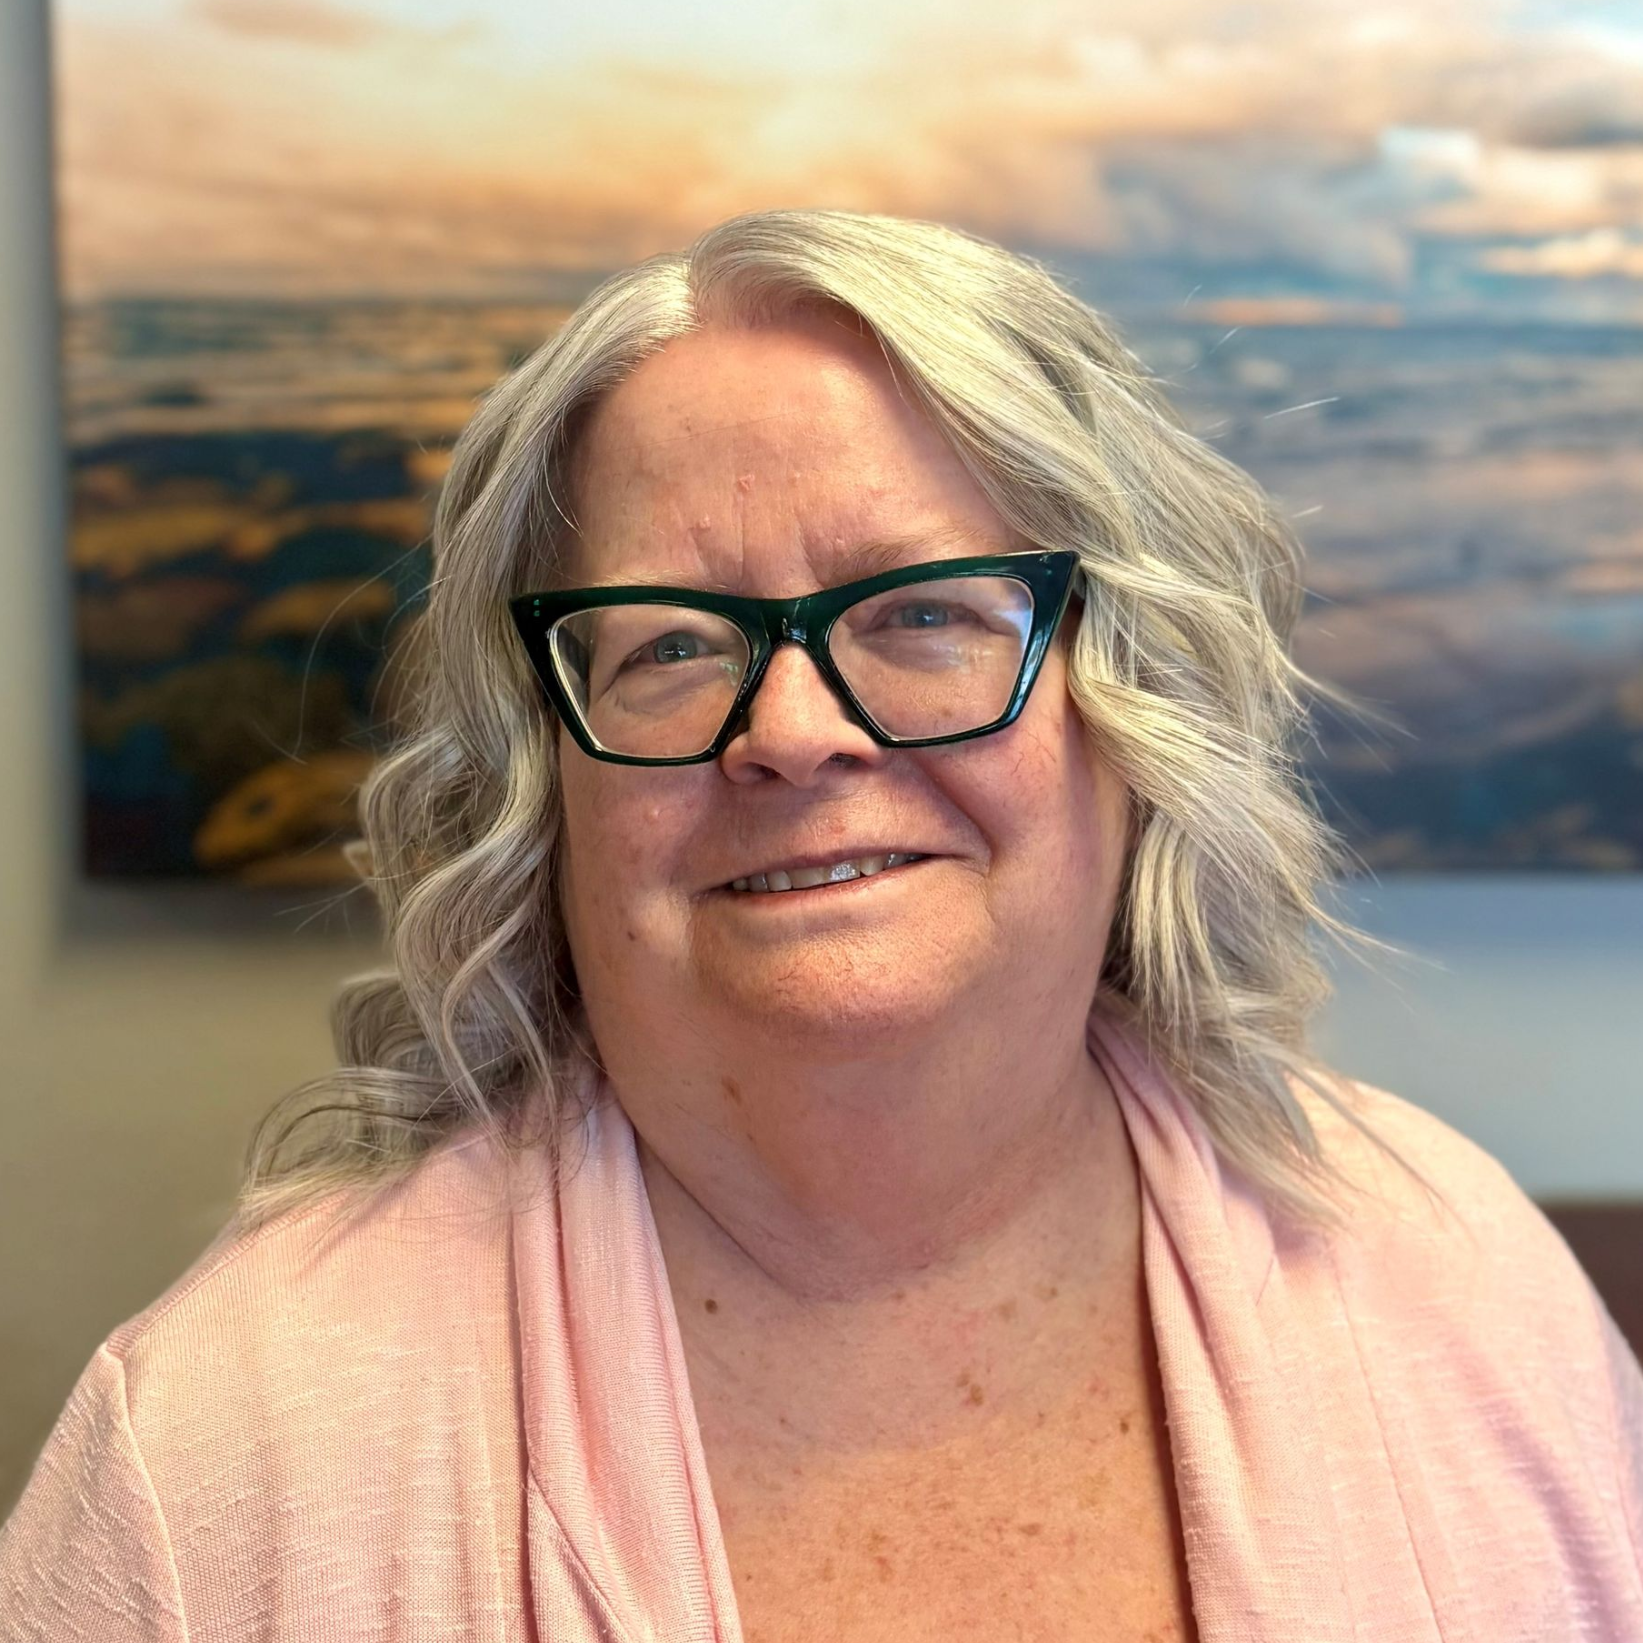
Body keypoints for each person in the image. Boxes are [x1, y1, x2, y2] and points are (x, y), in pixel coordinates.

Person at [3, 208, 1640, 1642]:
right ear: (541, 784)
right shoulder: (218, 1450)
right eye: (665, 646)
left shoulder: (1464, 1284)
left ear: (1132, 710)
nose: (789, 727)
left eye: (923, 611)